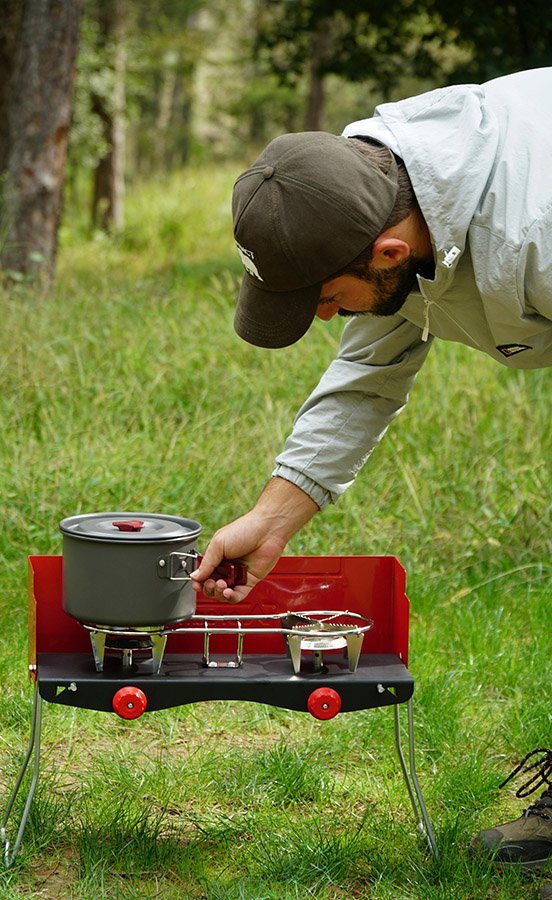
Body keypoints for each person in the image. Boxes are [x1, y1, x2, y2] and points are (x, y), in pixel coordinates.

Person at [190, 67, 551, 878]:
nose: (322, 318)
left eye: (324, 300)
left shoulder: (537, 225)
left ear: (390, 251)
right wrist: (272, 520)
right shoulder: (366, 186)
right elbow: (367, 375)